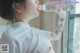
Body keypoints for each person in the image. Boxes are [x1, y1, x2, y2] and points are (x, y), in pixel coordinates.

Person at [0, 0, 66, 53]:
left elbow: (55, 36)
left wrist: (62, 16)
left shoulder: (33, 32)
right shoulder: (8, 36)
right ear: (18, 7)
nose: (38, 1)